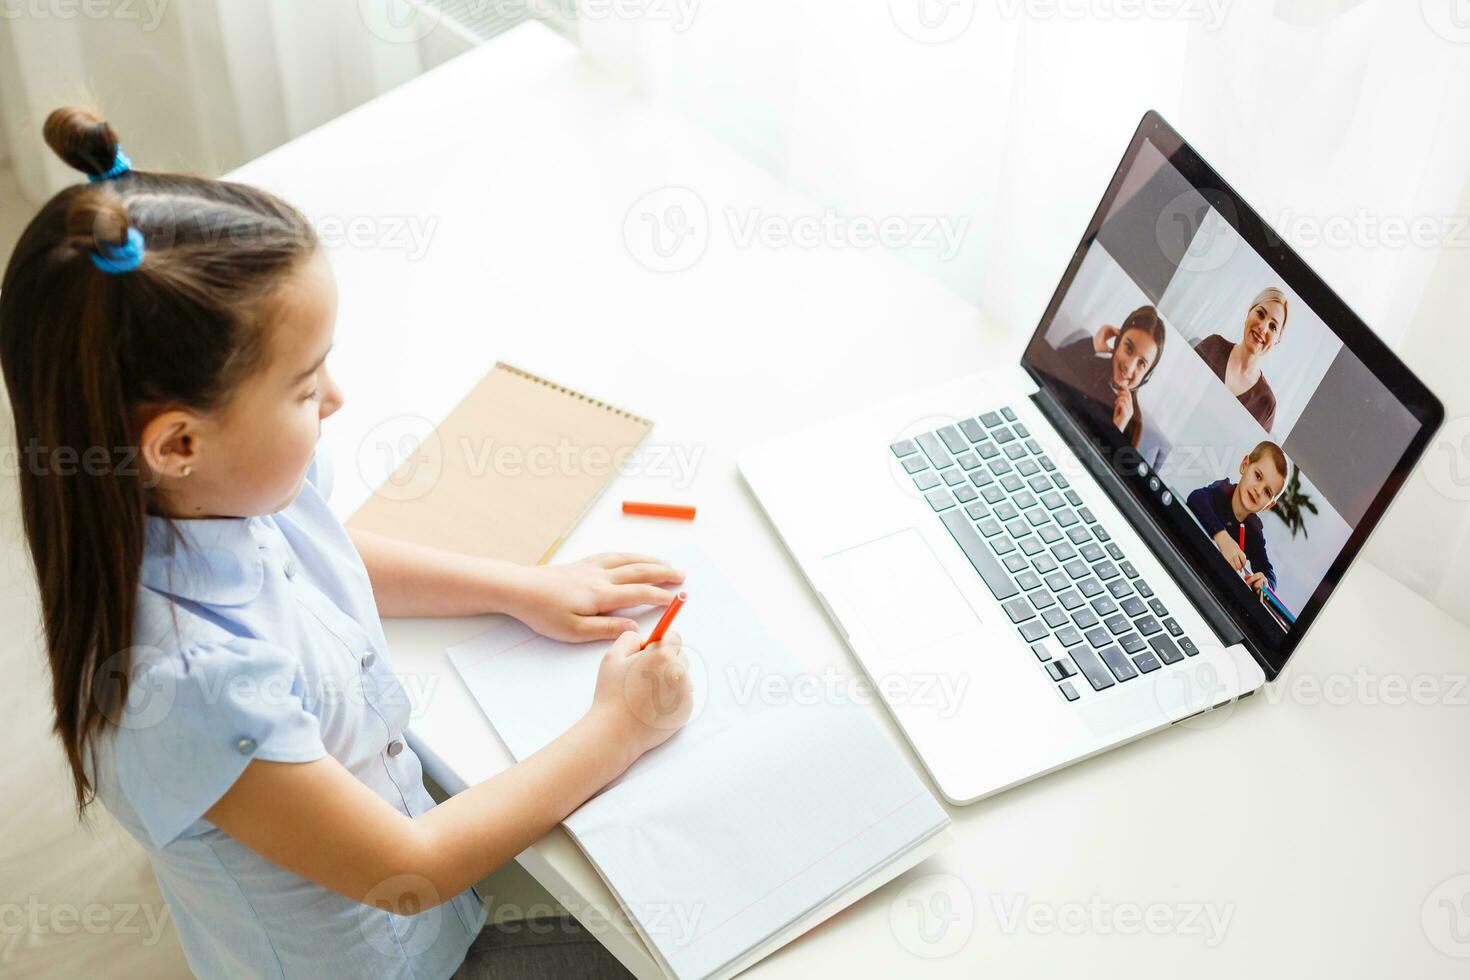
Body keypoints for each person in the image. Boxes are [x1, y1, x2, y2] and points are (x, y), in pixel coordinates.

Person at [0, 107, 691, 980]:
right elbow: (409, 874)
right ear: (178, 443)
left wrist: (518, 586)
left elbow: (326, 549)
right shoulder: (193, 684)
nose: (337, 396)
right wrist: (620, 726)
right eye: (301, 384)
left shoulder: (213, 491)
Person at [1053, 304, 1167, 447]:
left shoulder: (1132, 422)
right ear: (1118, 342)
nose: (1129, 367)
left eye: (1141, 363)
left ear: (1146, 375)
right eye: (1128, 347)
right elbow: (1046, 368)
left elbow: (1099, 465)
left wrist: (1115, 431)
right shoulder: (1087, 362)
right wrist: (1092, 344)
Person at [1185, 440, 1288, 594]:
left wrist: (1266, 584)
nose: (1258, 491)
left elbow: (1268, 572)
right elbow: (1195, 498)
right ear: (1245, 465)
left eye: (1267, 492)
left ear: (1269, 505)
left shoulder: (1254, 532)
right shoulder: (1221, 491)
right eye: (1258, 476)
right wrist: (1222, 537)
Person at [1191, 286, 1288, 431]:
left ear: (1277, 340)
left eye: (1273, 327)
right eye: (1260, 314)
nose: (1263, 327)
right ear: (1249, 313)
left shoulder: (1266, 404)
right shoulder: (1213, 346)